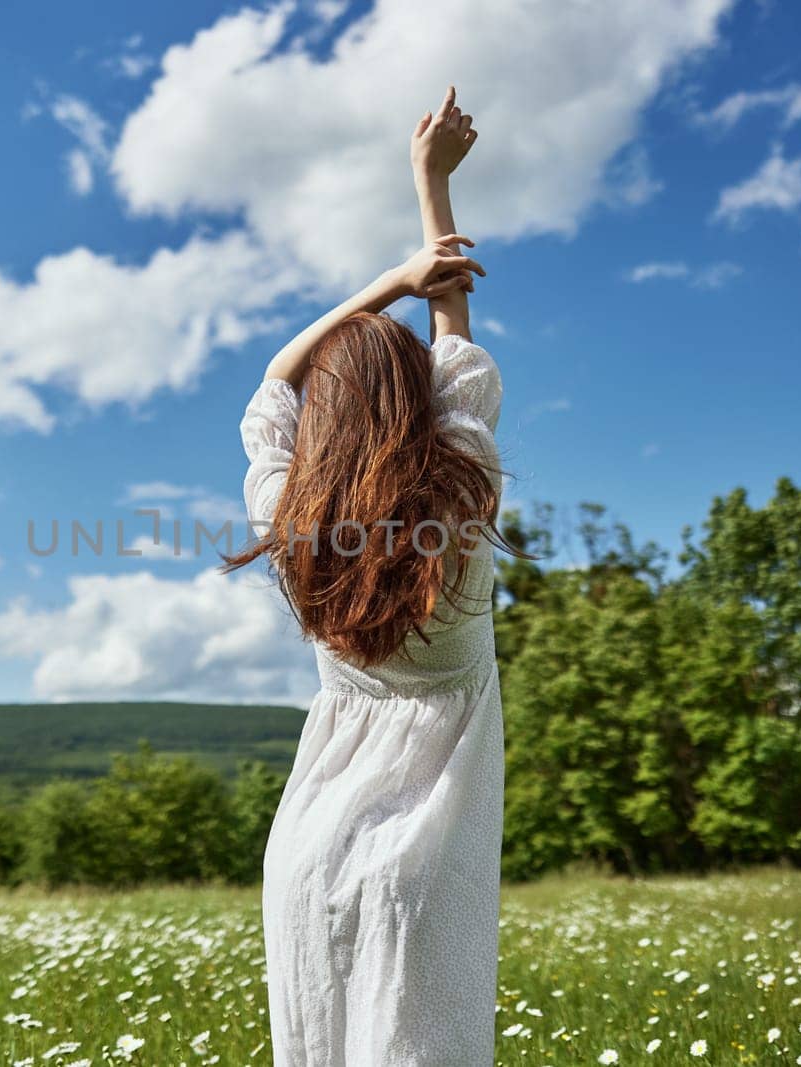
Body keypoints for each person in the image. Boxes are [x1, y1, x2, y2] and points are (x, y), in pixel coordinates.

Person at [220, 86, 534, 1065]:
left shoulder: (290, 518)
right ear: (416, 412)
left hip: (304, 859)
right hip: (424, 871)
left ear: (322, 432)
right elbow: (457, 336)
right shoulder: (462, 508)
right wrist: (430, 189)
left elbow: (274, 380)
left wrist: (387, 280)